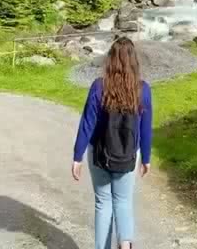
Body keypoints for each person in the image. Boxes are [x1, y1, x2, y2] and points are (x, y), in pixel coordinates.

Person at [72, 37, 152, 249]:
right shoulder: (142, 89)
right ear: (134, 61)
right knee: (123, 202)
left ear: (110, 60)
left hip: (99, 153)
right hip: (128, 155)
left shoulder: (99, 87)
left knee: (103, 203)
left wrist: (77, 156)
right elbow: (145, 126)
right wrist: (146, 157)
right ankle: (125, 246)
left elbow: (87, 124)